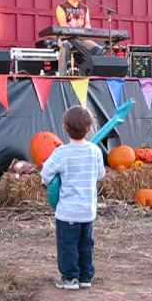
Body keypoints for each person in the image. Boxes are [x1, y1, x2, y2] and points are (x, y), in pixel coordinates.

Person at [41, 106, 106, 290]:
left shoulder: (62, 152)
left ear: (64, 127)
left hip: (68, 212)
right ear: (89, 128)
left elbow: (46, 173)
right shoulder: (95, 151)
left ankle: (70, 278)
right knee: (86, 245)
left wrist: (51, 183)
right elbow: (100, 174)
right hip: (88, 211)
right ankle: (86, 277)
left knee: (67, 245)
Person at [55, 0, 104, 75]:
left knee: (98, 50)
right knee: (65, 47)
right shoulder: (61, 7)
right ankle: (63, 75)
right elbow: (63, 26)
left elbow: (87, 26)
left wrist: (86, 34)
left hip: (82, 38)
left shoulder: (85, 8)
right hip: (66, 38)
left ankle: (89, 73)